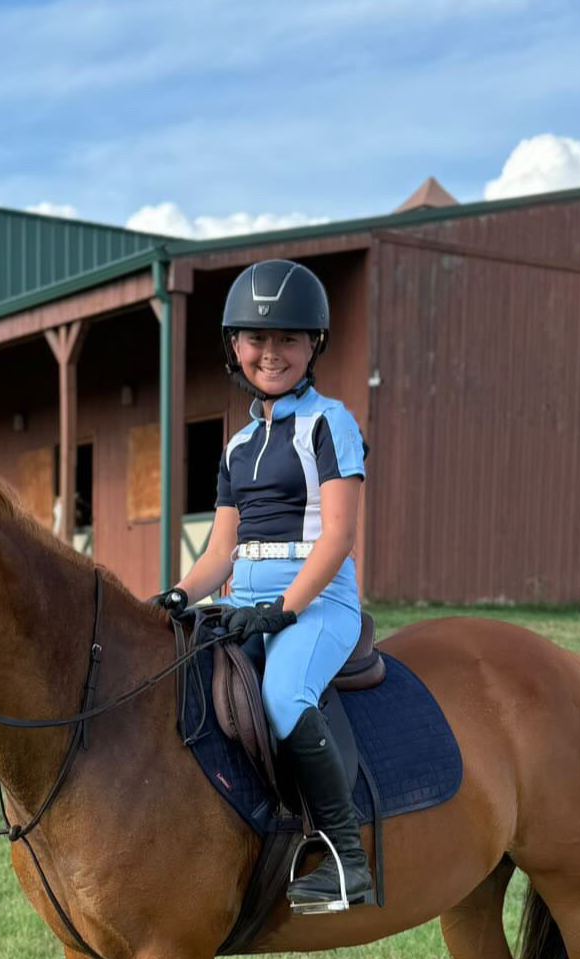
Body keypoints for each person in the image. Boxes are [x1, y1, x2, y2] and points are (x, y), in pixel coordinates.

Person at [153, 259, 372, 909]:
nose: (270, 353)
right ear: (235, 347)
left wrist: (285, 609)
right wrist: (179, 596)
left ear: (314, 346)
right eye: (256, 339)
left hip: (318, 600)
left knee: (281, 693)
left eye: (287, 340)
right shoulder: (238, 445)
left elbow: (337, 535)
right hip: (243, 598)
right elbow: (221, 549)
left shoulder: (331, 425)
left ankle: (346, 859)